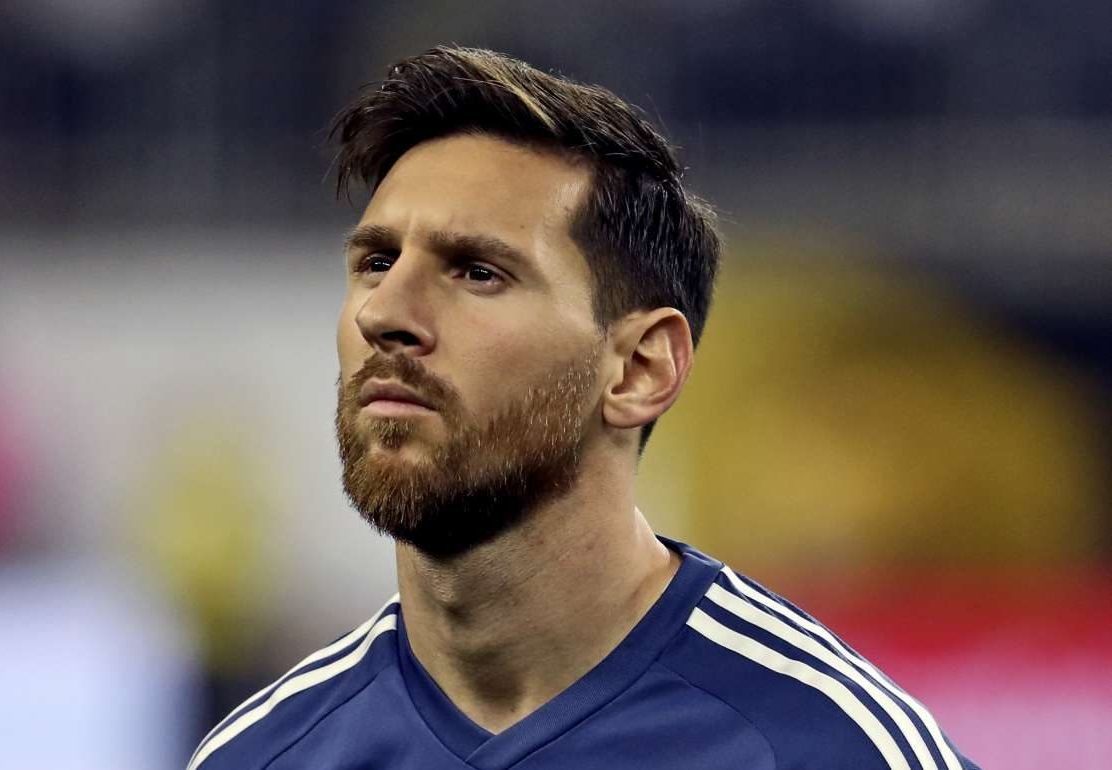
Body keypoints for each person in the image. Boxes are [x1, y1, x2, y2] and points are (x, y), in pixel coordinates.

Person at [187, 45, 981, 770]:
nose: (384, 313)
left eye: (477, 272)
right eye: (376, 261)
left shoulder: (827, 747)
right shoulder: (258, 756)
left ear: (638, 368)